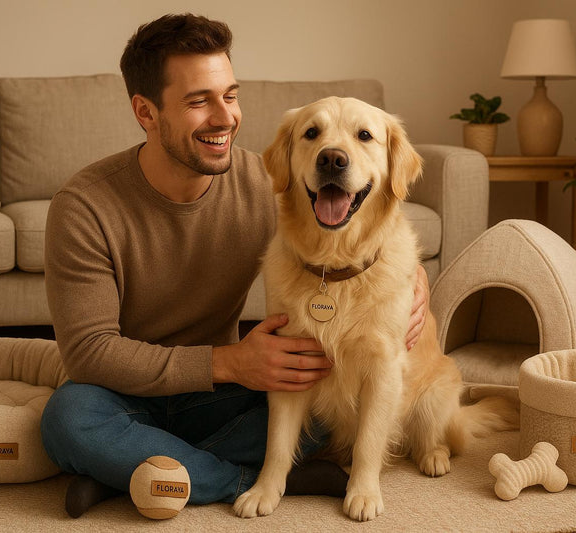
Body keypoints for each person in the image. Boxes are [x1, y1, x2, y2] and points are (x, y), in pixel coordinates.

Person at [40, 12, 429, 519]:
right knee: (67, 421)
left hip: (223, 397)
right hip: (126, 393)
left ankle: (135, 471)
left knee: (325, 400)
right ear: (146, 112)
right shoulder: (83, 206)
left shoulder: (270, 183)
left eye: (230, 95)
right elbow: (89, 354)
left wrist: (412, 278)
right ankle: (235, 478)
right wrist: (229, 362)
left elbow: (365, 225)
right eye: (198, 101)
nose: (224, 117)